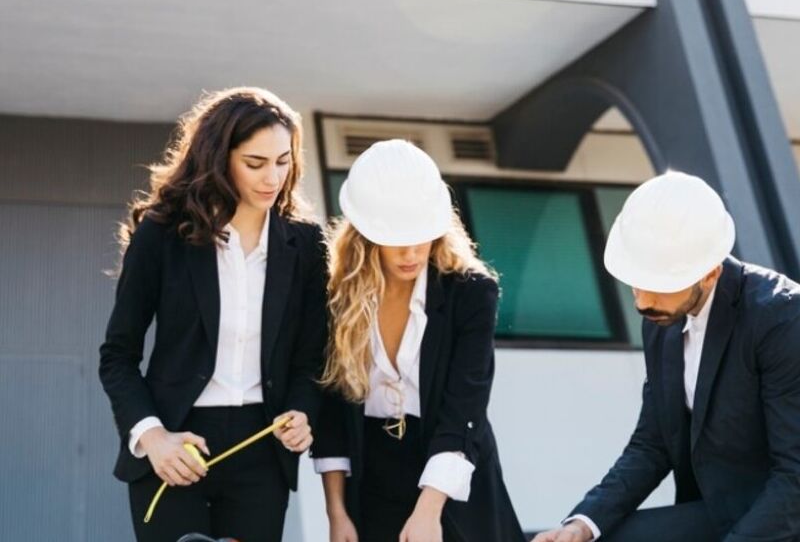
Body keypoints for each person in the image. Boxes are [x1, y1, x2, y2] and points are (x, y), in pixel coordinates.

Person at [99, 87, 327, 542]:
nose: (273, 177)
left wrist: (303, 413)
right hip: (173, 445)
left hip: (261, 452)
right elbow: (117, 356)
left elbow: (311, 359)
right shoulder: (162, 234)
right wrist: (152, 438)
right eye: (255, 163)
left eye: (283, 161)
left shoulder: (305, 245)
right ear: (219, 159)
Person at [533, 171, 800, 542]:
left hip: (781, 520)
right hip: (715, 512)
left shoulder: (782, 318)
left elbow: (795, 476)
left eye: (659, 285)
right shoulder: (662, 320)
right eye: (636, 281)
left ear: (710, 273)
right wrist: (582, 524)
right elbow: (652, 443)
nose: (643, 302)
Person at [312, 139, 526, 542]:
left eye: (422, 235)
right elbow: (332, 413)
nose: (411, 252)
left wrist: (429, 510)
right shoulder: (335, 296)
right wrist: (336, 512)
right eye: (396, 238)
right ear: (366, 232)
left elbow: (465, 406)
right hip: (371, 479)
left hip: (454, 473)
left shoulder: (472, 293)